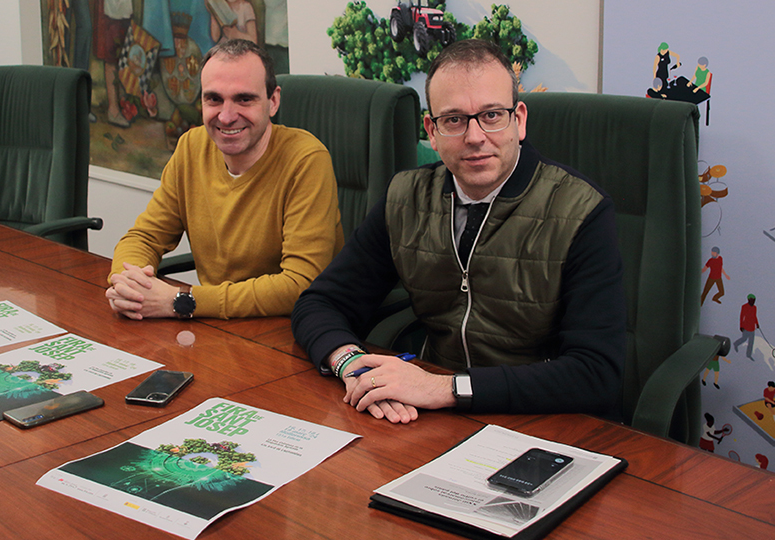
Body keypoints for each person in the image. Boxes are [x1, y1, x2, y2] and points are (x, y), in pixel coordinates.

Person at [291, 39, 625, 423]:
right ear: (431, 131)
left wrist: (444, 389)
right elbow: (319, 304)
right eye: (454, 120)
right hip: (439, 422)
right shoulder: (406, 198)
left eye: (492, 115)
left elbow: (597, 374)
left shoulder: (582, 211)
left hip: (548, 421)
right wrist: (350, 364)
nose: (475, 136)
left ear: (519, 120)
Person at [107, 39, 343, 320]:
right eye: (214, 99)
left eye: (244, 99)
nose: (227, 116)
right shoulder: (191, 147)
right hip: (218, 326)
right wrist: (129, 285)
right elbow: (144, 237)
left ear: (273, 101)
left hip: (293, 327)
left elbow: (298, 284)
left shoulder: (306, 160)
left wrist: (183, 301)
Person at [733, 294, 760, 360]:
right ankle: (736, 344)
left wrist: (757, 323)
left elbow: (754, 316)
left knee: (751, 342)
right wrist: (741, 326)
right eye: (752, 300)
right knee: (744, 339)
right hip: (746, 327)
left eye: (754, 300)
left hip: (752, 327)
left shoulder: (754, 308)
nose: (753, 302)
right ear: (748, 300)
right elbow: (742, 317)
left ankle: (748, 355)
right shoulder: (744, 307)